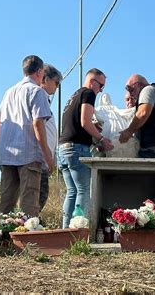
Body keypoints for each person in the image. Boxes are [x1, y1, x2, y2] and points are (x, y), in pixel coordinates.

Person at [0, 55, 54, 217]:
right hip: (29, 156)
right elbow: (38, 124)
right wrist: (48, 157)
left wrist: (2, 149)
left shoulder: (9, 92)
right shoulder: (37, 91)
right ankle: (27, 241)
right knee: (29, 203)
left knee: (6, 203)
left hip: (7, 156)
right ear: (39, 72)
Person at [58, 68, 114, 228]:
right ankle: (78, 233)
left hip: (63, 148)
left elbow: (78, 124)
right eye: (101, 85)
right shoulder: (88, 93)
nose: (101, 90)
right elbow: (85, 122)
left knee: (72, 192)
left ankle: (65, 231)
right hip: (76, 149)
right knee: (83, 190)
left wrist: (92, 127)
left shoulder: (74, 95)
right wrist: (101, 139)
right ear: (92, 81)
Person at [39, 64, 62, 211]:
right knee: (38, 197)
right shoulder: (39, 95)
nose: (57, 87)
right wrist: (48, 157)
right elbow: (38, 126)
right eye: (56, 82)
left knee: (41, 196)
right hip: (39, 158)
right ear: (45, 79)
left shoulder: (44, 99)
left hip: (44, 158)